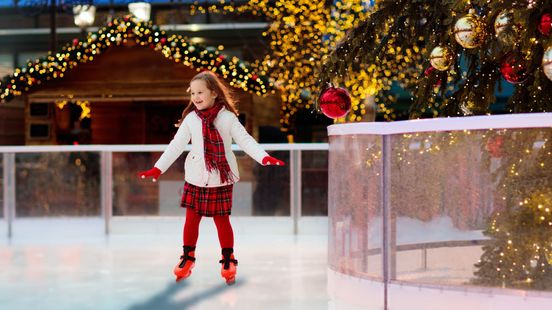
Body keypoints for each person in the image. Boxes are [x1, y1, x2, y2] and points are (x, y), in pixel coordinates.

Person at [138, 71, 285, 285]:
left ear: (214, 93)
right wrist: (158, 168)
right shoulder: (191, 119)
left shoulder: (227, 117)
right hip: (196, 177)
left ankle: (228, 259)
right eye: (193, 93)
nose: (196, 97)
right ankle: (187, 258)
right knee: (191, 219)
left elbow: (245, 140)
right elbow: (176, 145)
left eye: (201, 92)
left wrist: (264, 158)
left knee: (222, 220)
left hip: (220, 177)